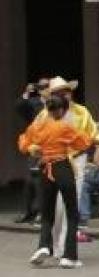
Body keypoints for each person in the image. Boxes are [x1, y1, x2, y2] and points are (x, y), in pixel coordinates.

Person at [35, 77, 99, 257]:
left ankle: (64, 248)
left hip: (77, 160)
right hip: (55, 161)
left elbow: (92, 131)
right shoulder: (45, 114)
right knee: (56, 207)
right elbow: (35, 137)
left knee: (70, 203)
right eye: (59, 92)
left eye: (66, 91)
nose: (64, 95)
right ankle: (53, 246)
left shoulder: (81, 112)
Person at [18, 95, 91, 268]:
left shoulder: (38, 126)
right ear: (61, 110)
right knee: (72, 213)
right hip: (62, 167)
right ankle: (69, 256)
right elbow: (84, 142)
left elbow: (23, 143)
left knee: (47, 213)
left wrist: (32, 148)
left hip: (45, 168)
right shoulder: (65, 127)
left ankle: (43, 246)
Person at [13, 78, 50, 224]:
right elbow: (19, 107)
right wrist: (27, 93)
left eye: (47, 86)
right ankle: (28, 211)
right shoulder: (34, 102)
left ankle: (42, 212)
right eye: (41, 87)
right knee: (31, 181)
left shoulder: (55, 102)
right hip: (35, 145)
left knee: (42, 181)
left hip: (52, 144)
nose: (44, 89)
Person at [79, 121, 99, 228]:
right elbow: (95, 162)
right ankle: (84, 217)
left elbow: (97, 161)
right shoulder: (92, 145)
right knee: (83, 185)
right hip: (94, 175)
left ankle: (84, 216)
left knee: (82, 183)